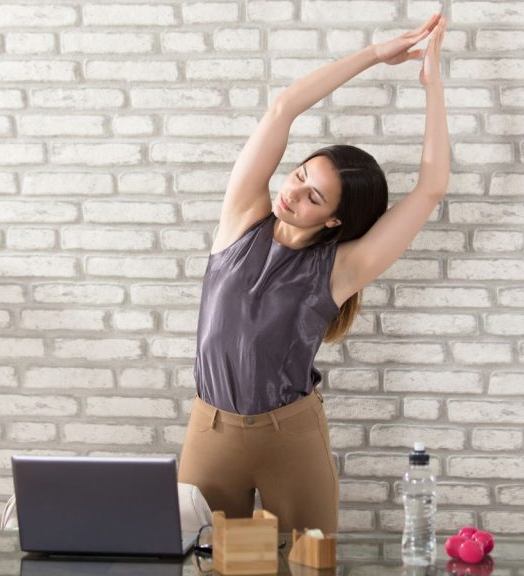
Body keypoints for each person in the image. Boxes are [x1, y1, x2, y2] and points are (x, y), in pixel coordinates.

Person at [178, 13, 450, 534]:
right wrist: (375, 54)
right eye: (300, 174)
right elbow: (284, 107)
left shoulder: (341, 269)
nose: (292, 192)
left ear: (334, 220)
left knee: (310, 566)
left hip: (291, 439)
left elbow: (431, 187)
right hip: (209, 429)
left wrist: (431, 83)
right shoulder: (240, 219)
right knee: (198, 564)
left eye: (313, 196)